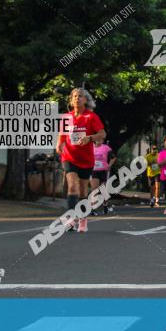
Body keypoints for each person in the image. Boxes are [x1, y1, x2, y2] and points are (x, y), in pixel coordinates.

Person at [56, 88, 105, 233]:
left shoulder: (91, 117)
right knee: (72, 187)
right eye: (75, 96)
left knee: (83, 190)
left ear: (86, 100)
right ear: (71, 100)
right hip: (69, 157)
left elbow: (102, 134)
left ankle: (83, 219)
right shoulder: (66, 117)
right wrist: (59, 144)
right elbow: (62, 135)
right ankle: (71, 220)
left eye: (80, 97)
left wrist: (89, 138)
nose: (77, 99)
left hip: (86, 159)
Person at [90, 138, 116, 215]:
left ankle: (105, 206)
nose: (100, 140)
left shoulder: (106, 147)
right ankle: (93, 209)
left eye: (101, 139)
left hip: (103, 171)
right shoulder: (91, 147)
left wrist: (109, 165)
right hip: (94, 170)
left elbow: (113, 157)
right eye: (98, 139)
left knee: (103, 190)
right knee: (94, 190)